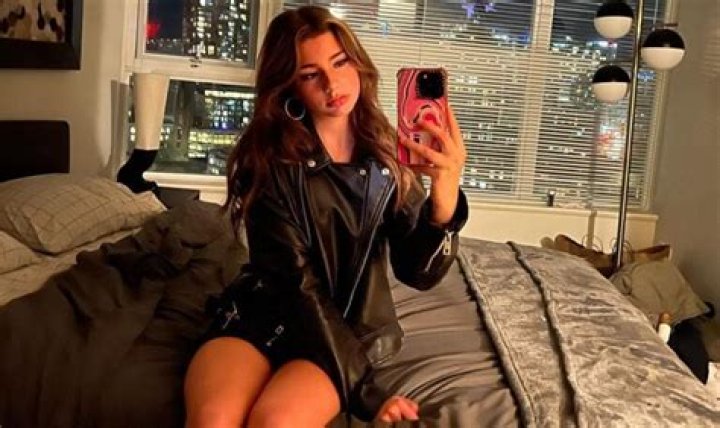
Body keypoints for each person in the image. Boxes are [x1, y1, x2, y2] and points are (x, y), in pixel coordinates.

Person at [184, 5, 468, 427]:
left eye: (339, 62)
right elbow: (296, 283)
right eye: (309, 74)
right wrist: (367, 393)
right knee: (214, 419)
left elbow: (417, 272)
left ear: (358, 64)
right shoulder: (268, 162)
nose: (332, 85)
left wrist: (445, 190)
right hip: (266, 312)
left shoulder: (387, 155)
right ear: (289, 85)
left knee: (275, 423)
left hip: (345, 331)